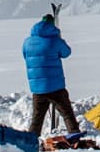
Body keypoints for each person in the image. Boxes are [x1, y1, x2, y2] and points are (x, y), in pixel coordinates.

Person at [22, 8, 78, 137]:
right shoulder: (55, 41)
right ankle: (75, 136)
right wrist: (59, 39)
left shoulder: (27, 42)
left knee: (36, 120)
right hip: (55, 86)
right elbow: (66, 52)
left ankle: (32, 141)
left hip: (37, 88)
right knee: (67, 115)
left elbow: (25, 56)